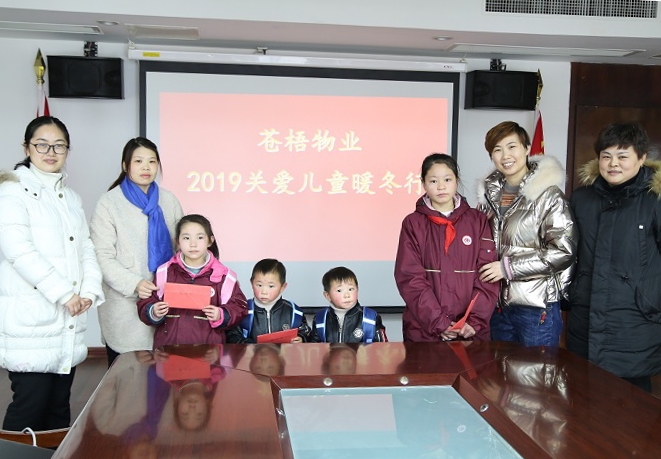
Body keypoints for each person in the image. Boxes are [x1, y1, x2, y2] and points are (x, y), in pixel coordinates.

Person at [0, 116, 105, 431]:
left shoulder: (70, 197)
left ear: (67, 150)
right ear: (26, 148)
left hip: (67, 321)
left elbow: (85, 248)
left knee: (59, 408)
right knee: (28, 408)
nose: (51, 152)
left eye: (59, 145)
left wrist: (89, 291)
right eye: (42, 145)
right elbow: (18, 250)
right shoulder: (12, 191)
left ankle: (55, 453)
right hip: (32, 320)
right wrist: (65, 293)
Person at [567, 122, 661, 392]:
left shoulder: (655, 200)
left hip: (636, 320)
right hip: (586, 316)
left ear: (642, 158)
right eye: (606, 156)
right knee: (580, 399)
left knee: (631, 406)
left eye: (622, 156)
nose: (613, 164)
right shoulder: (582, 199)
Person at [477, 121, 576, 347]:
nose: (505, 155)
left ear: (527, 148)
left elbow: (563, 251)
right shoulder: (488, 196)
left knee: (536, 370)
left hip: (536, 308)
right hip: (496, 306)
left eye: (512, 147)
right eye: (497, 150)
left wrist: (508, 268)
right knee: (498, 369)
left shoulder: (549, 195)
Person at [90, 137, 184, 367]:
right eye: (138, 161)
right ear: (126, 165)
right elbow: (102, 256)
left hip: (166, 303)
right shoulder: (109, 203)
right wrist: (135, 284)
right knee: (126, 378)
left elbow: (181, 248)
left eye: (152, 161)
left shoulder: (169, 200)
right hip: (125, 305)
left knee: (165, 376)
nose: (146, 167)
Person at [394, 153, 499, 342]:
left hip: (470, 331)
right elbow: (410, 278)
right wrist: (438, 322)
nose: (441, 186)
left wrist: (474, 321)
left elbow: (488, 274)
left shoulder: (477, 221)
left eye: (447, 179)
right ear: (423, 184)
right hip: (425, 331)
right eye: (433, 181)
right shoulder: (413, 223)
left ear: (457, 181)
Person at [137, 214, 248, 348]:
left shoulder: (225, 276)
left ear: (210, 241)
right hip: (168, 350)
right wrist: (153, 311)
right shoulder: (164, 272)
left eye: (200, 237)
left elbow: (240, 308)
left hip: (209, 352)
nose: (193, 244)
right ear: (178, 242)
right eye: (186, 238)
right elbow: (145, 302)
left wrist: (221, 314)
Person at [226, 258, 311, 344]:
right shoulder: (242, 310)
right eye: (259, 285)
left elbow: (305, 331)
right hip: (253, 352)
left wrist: (301, 338)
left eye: (271, 286)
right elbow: (232, 336)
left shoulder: (293, 311)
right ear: (252, 283)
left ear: (282, 287)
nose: (264, 291)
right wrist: (251, 345)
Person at [310, 266, 387, 343]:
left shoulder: (371, 318)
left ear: (357, 290)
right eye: (339, 290)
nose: (347, 295)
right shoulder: (320, 318)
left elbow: (383, 348)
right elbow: (312, 347)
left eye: (351, 289)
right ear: (327, 295)